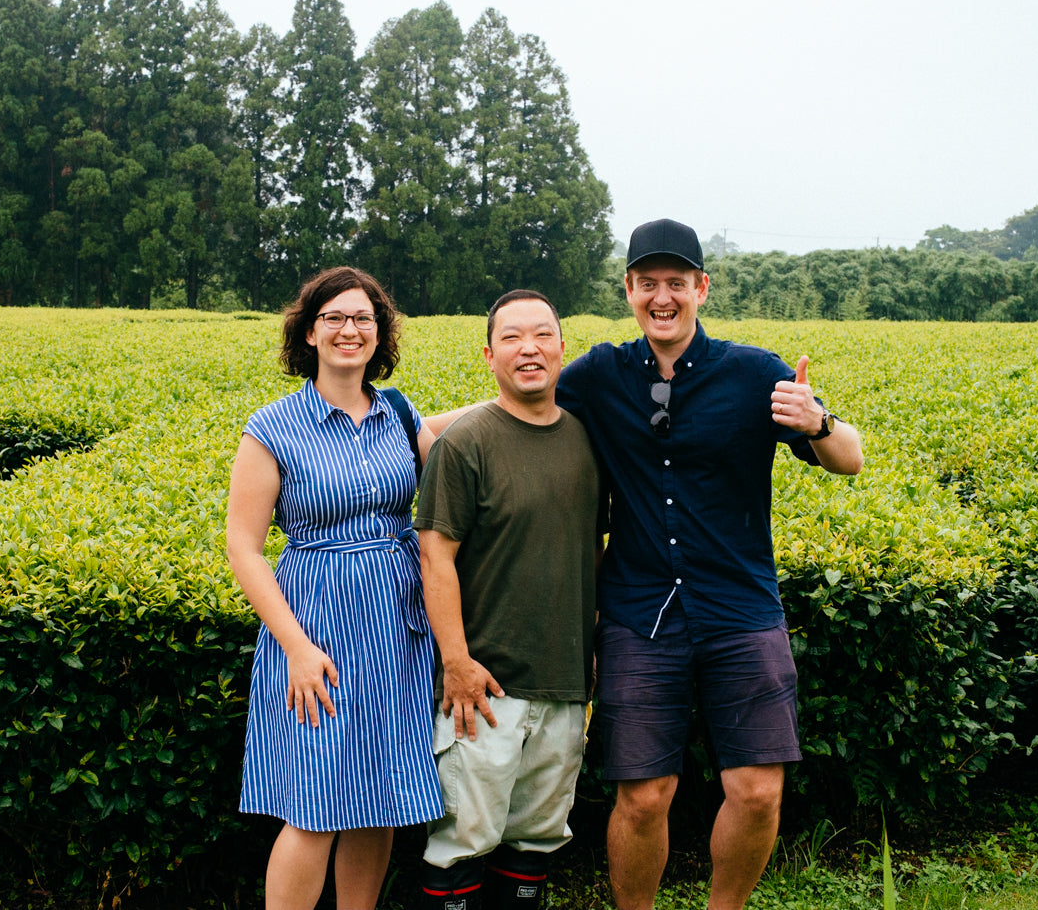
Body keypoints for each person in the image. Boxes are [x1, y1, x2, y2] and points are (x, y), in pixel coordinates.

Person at [552, 218, 864, 910]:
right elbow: (520, 404)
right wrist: (403, 422)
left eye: (677, 283)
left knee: (756, 789)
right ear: (629, 290)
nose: (663, 297)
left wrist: (817, 421)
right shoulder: (602, 374)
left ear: (702, 287)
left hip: (741, 606)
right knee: (642, 795)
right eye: (648, 284)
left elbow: (850, 458)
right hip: (638, 611)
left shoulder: (754, 372)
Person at [225, 267, 443, 910]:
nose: (350, 330)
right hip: (315, 630)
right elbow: (244, 547)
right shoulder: (273, 427)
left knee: (377, 799)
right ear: (310, 331)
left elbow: (457, 455)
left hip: (396, 629)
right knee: (314, 805)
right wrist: (294, 646)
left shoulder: (398, 414)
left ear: (380, 333)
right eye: (335, 319)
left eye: (363, 319)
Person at [414, 290, 602, 910]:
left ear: (561, 349)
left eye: (542, 335)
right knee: (464, 838)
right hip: (485, 683)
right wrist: (456, 661)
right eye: (513, 338)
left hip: (566, 682)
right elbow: (435, 557)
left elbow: (590, 550)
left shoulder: (586, 441)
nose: (530, 349)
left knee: (537, 839)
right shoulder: (465, 443)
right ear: (489, 355)